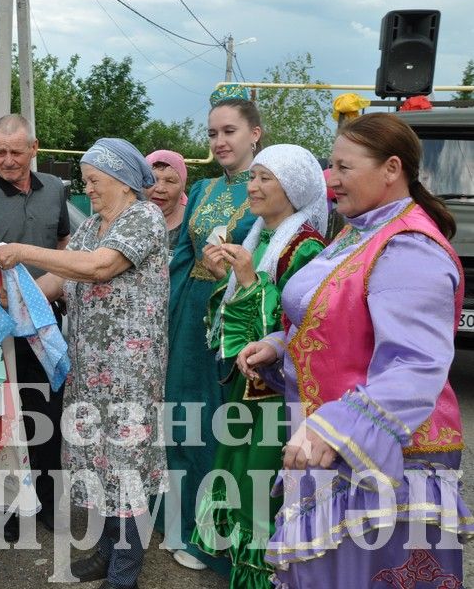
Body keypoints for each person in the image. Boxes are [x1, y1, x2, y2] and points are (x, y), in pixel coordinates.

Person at [237, 113, 473, 586]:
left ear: (391, 169)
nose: (331, 178)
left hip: (388, 456)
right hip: (336, 446)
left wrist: (335, 428)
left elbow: (416, 364)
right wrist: (281, 346)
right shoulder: (360, 229)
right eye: (331, 165)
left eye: (344, 167)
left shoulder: (408, 247)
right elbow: (340, 316)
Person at [0, 137, 168, 589]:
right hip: (90, 366)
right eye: (85, 181)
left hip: (130, 372)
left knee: (125, 465)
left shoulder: (142, 218)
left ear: (124, 182)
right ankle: (106, 554)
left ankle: (124, 572)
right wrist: (2, 308)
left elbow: (99, 268)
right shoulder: (94, 225)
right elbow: (59, 278)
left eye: (94, 180)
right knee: (99, 462)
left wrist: (22, 250)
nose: (87, 189)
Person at [191, 144, 327, 589]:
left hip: (277, 396)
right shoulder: (260, 237)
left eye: (265, 178)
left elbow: (297, 330)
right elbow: (233, 321)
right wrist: (226, 281)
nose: (252, 186)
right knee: (238, 476)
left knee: (259, 488)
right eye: (252, 177)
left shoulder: (306, 247)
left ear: (293, 188)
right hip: (245, 387)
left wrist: (247, 281)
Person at [159, 88, 262, 573]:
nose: (219, 142)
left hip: (235, 320)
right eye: (212, 134)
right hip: (189, 318)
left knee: (222, 424)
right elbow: (181, 256)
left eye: (229, 132)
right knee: (181, 414)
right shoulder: (200, 190)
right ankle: (180, 522)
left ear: (254, 135)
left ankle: (214, 535)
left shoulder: (267, 189)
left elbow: (277, 258)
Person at [0, 113, 71, 539]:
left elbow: (63, 246)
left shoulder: (56, 191)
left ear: (34, 149)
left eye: (15, 152)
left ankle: (46, 502)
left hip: (45, 326)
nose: (7, 160)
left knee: (47, 415)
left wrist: (54, 288)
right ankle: (8, 512)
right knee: (5, 419)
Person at [145, 149, 189, 258]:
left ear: (182, 186)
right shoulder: (125, 220)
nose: (160, 189)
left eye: (170, 181)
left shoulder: (193, 225)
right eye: (153, 179)